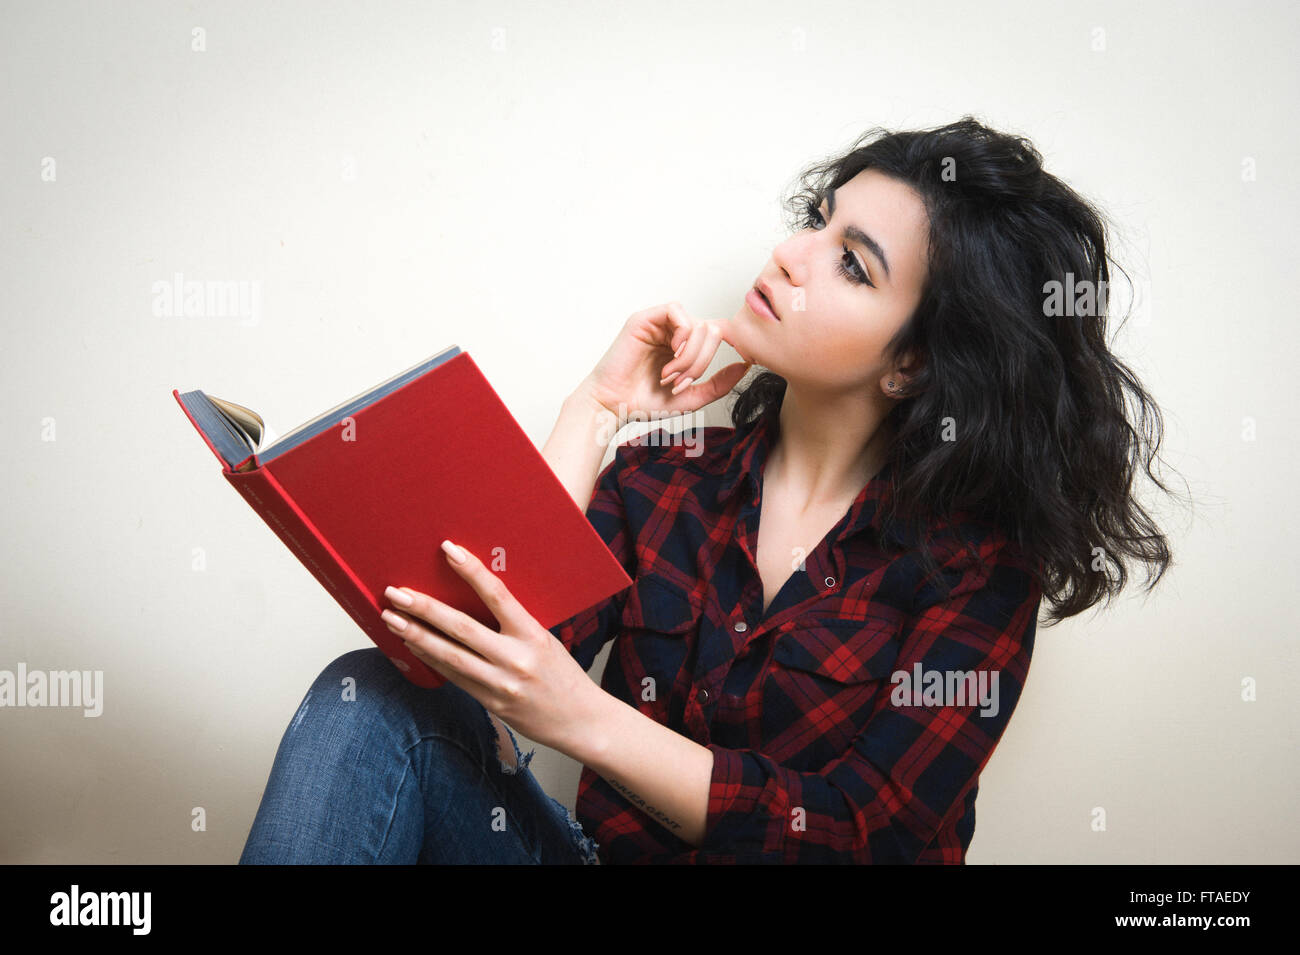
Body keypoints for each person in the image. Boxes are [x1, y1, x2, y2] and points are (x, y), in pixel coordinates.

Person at [239, 115, 1178, 864]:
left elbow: (868, 828)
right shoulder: (661, 484)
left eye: (852, 263)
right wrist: (596, 406)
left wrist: (585, 720)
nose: (790, 256)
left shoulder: (975, 566)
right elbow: (482, 648)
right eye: (820, 221)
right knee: (369, 698)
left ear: (911, 364)